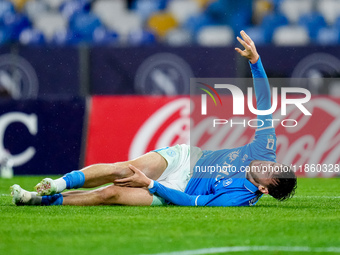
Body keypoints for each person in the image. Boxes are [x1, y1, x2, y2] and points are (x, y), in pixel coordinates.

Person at [11, 31, 297, 207]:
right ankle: (57, 184)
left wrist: (150, 185)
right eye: (276, 163)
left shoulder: (238, 199)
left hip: (175, 191)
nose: (269, 163)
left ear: (263, 188)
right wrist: (256, 63)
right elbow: (264, 106)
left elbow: (192, 202)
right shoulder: (265, 149)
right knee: (122, 171)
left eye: (272, 171)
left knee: (111, 194)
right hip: (186, 159)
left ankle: (40, 199)